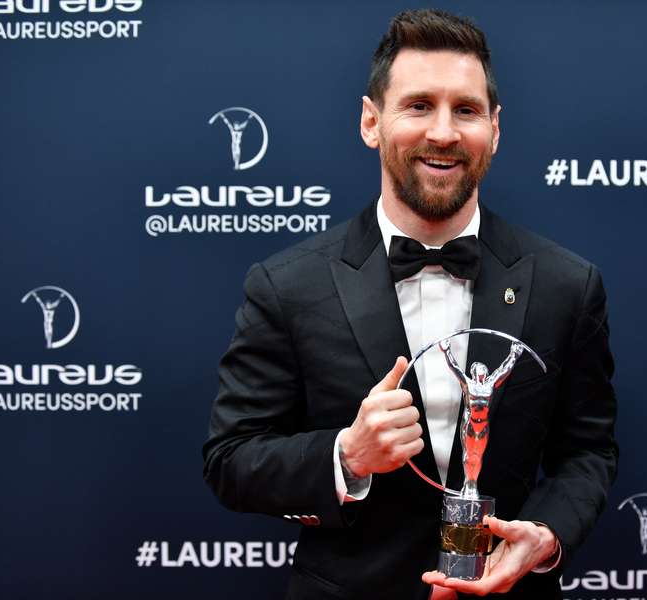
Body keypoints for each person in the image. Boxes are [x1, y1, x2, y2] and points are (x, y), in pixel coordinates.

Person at [203, 9, 617, 600]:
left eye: (466, 110)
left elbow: (588, 450)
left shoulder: (566, 284)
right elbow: (232, 458)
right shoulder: (286, 285)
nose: (444, 132)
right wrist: (347, 454)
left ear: (495, 129)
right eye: (418, 105)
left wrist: (546, 534)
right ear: (372, 121)